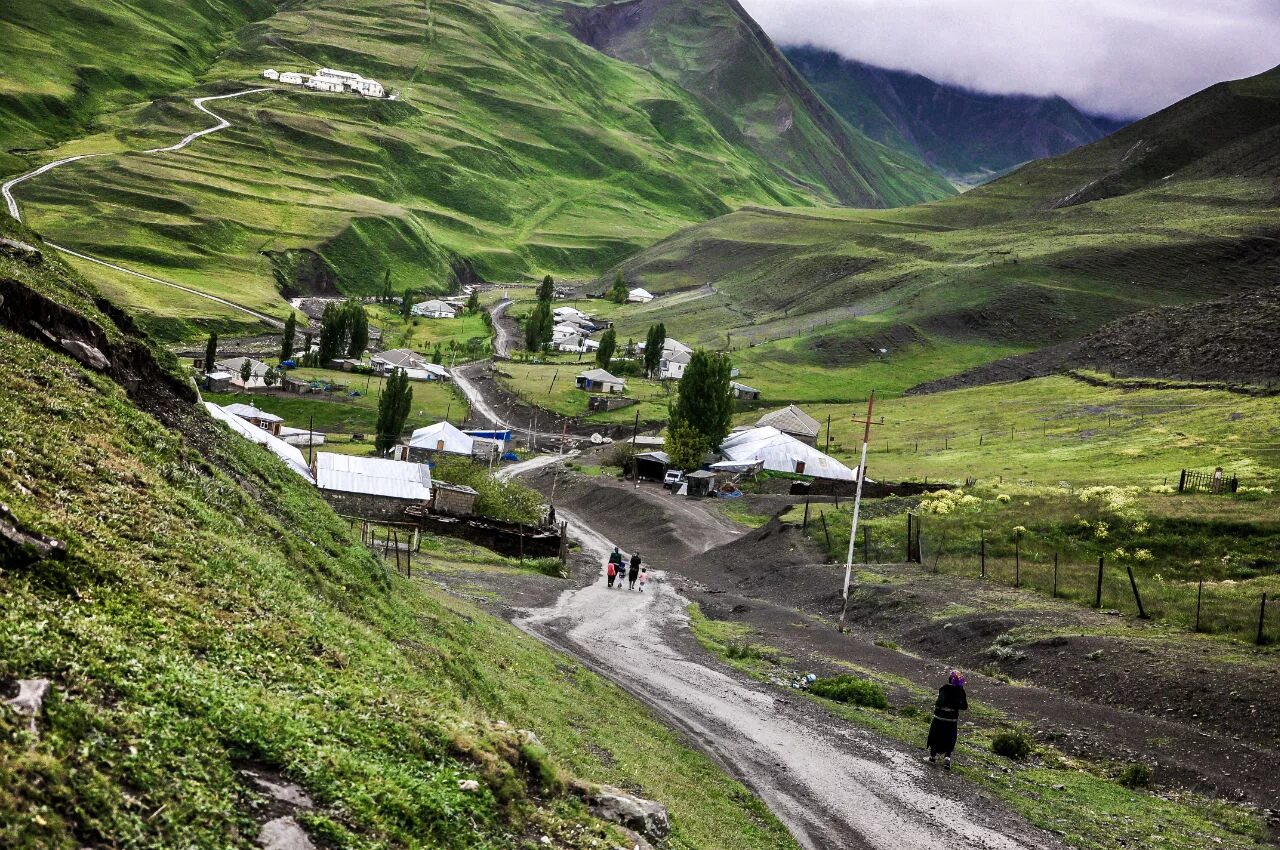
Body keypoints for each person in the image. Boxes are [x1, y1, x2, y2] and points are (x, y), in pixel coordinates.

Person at [927, 671, 968, 769]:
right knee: (950, 738)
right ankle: (947, 759)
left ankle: (932, 756)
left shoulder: (944, 689)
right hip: (952, 720)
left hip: (939, 718)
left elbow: (939, 703)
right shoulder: (960, 691)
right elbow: (964, 706)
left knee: (935, 736)